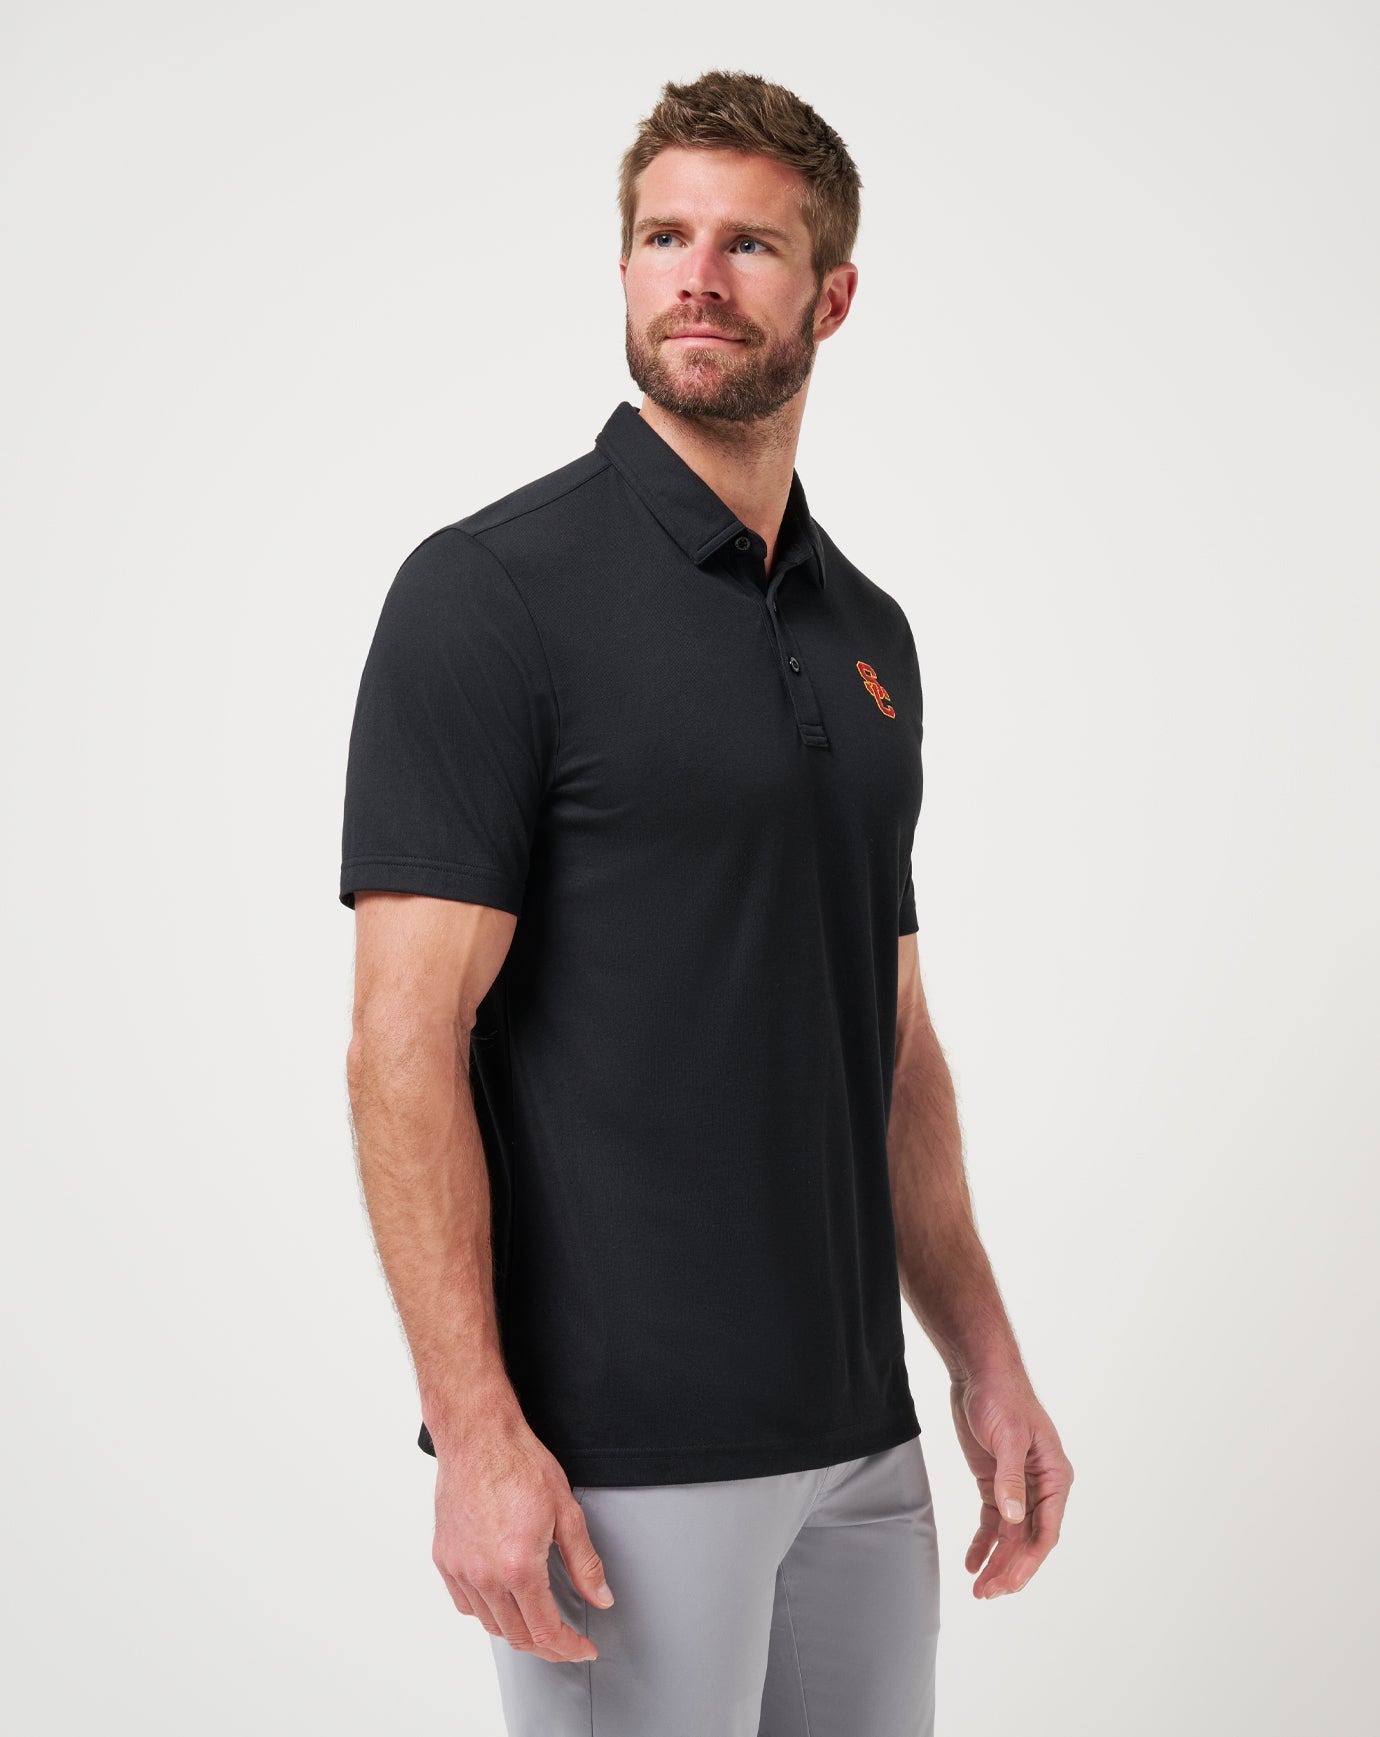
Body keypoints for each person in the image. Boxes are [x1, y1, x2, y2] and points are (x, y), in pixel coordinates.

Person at [339, 67, 1073, 1737]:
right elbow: (402, 1039)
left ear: (832, 295)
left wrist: (982, 1355)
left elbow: (888, 1030)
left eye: (749, 244)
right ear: (622, 268)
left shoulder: (868, 632)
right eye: (665, 236)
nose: (698, 276)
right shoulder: (490, 596)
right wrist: (476, 1428)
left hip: (860, 1441)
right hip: (625, 1454)